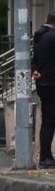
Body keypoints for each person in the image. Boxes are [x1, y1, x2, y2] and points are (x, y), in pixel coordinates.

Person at [32, 11, 55, 168]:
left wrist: (35, 69)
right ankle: (45, 157)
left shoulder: (39, 36)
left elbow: (35, 59)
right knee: (49, 121)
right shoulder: (52, 37)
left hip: (43, 83)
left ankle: (46, 155)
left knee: (47, 120)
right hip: (52, 82)